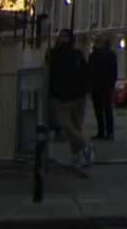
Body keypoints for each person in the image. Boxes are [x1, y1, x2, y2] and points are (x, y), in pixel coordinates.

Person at [47, 29, 92, 168]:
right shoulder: (54, 55)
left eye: (66, 37)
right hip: (61, 98)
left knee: (75, 128)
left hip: (77, 97)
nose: (64, 39)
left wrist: (85, 89)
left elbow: (86, 72)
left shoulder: (76, 55)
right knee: (68, 127)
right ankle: (86, 145)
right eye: (62, 36)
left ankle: (76, 156)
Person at [89, 36, 118, 141]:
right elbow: (90, 71)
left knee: (106, 110)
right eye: (96, 42)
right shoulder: (93, 55)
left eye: (98, 42)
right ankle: (102, 132)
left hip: (104, 86)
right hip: (98, 86)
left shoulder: (108, 55)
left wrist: (111, 85)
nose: (96, 44)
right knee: (100, 110)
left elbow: (113, 71)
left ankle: (108, 132)